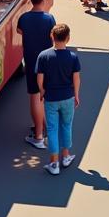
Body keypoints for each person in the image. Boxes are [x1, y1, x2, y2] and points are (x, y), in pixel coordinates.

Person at [35, 23, 81, 175]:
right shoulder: (73, 57)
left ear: (51, 36)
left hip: (51, 98)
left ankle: (54, 163)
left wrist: (42, 91)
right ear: (68, 38)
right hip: (68, 97)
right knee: (66, 125)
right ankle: (66, 156)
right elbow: (76, 79)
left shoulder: (43, 56)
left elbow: (40, 79)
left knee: (52, 129)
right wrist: (76, 95)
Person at [16, 0, 54, 149]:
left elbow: (19, 31)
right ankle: (46, 127)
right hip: (47, 61)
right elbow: (52, 35)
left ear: (30, 0)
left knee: (35, 97)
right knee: (43, 96)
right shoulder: (50, 18)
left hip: (32, 61)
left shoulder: (24, 18)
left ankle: (38, 135)